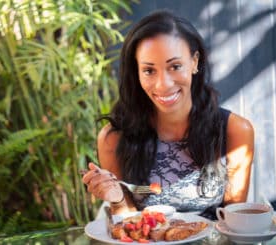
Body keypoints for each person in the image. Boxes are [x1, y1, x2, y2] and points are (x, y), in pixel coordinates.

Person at [82, 9, 254, 218]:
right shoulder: (114, 138)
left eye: (175, 66)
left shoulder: (234, 131)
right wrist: (117, 198)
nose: (163, 84)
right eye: (149, 70)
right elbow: (127, 225)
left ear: (194, 62)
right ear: (136, 72)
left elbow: (233, 224)